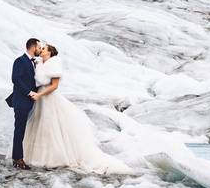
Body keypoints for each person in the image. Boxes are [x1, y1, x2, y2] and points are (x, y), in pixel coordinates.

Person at [22, 43, 131, 174]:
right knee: (38, 125)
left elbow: (54, 86)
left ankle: (54, 157)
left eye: (44, 48)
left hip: (47, 97)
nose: (41, 50)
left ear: (50, 53)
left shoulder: (54, 64)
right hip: (40, 99)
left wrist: (40, 94)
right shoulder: (40, 63)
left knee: (50, 126)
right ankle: (36, 155)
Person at [8, 37, 41, 170]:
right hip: (21, 101)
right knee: (19, 130)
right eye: (38, 47)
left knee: (23, 130)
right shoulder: (19, 61)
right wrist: (29, 93)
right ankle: (17, 159)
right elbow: (15, 79)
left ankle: (20, 157)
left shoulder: (34, 62)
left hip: (29, 103)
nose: (39, 49)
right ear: (33, 47)